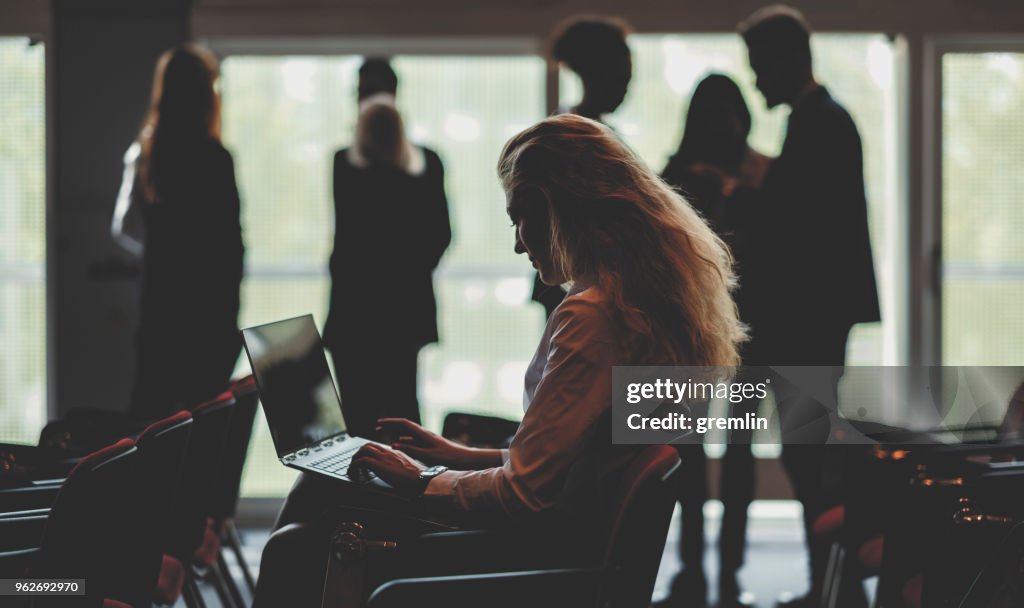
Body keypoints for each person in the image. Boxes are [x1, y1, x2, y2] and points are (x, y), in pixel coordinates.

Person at [253, 113, 747, 606]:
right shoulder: (637, 306)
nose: (517, 243)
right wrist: (455, 456)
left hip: (535, 556)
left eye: (519, 219)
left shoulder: (592, 316)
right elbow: (574, 465)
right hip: (563, 548)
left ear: (556, 208)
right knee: (319, 502)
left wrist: (420, 479)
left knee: (304, 528)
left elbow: (524, 496)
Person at [738, 6, 880, 607]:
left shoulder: (818, 123)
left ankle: (834, 587)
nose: (755, 81)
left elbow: (798, 229)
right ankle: (831, 584)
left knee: (811, 459)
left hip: (806, 324)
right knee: (809, 456)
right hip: (815, 323)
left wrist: (744, 195)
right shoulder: (823, 120)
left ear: (786, 59)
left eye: (758, 67)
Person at [657, 73, 771, 608]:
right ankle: (704, 567)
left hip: (733, 332)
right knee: (697, 451)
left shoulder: (756, 175)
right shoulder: (678, 177)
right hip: (701, 332)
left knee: (719, 451)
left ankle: (717, 568)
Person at [323, 58, 451, 440]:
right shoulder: (426, 163)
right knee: (402, 414)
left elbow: (347, 243)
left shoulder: (344, 165)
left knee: (361, 422)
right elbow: (440, 237)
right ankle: (411, 497)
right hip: (403, 313)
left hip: (354, 313)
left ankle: (363, 497)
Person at [130, 45, 244, 420]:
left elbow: (138, 235)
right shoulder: (213, 159)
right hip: (207, 319)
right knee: (204, 437)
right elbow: (230, 250)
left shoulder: (149, 159)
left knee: (154, 427)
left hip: (159, 314)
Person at [529, 16, 634, 318]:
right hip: (573, 276)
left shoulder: (580, 131)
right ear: (595, 74)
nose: (627, 87)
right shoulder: (570, 136)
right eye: (621, 76)